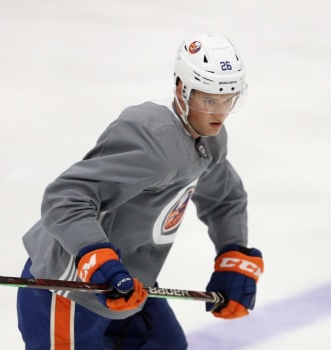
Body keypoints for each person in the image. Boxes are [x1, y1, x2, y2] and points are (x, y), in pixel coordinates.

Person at [17, 32, 264, 349]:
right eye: (209, 100)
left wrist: (233, 254)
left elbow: (225, 199)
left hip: (128, 286)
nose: (220, 113)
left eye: (229, 99)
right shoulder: (149, 136)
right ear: (181, 89)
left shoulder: (210, 140)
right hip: (71, 288)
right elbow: (66, 198)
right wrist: (97, 260)